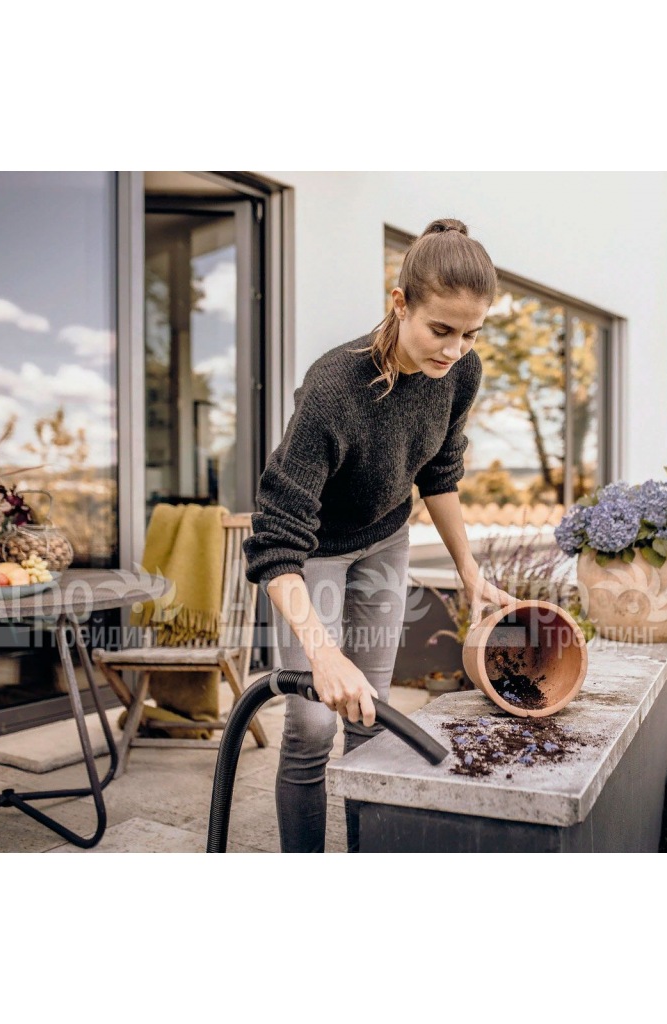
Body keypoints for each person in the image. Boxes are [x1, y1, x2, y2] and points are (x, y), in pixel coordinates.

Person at [243, 217, 515, 853]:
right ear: (400, 303)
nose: (454, 349)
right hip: (313, 551)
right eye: (440, 330)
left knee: (373, 713)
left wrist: (470, 571)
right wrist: (323, 652)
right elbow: (275, 543)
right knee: (313, 724)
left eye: (471, 334)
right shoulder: (334, 388)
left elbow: (440, 473)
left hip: (386, 540)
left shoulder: (460, 373)